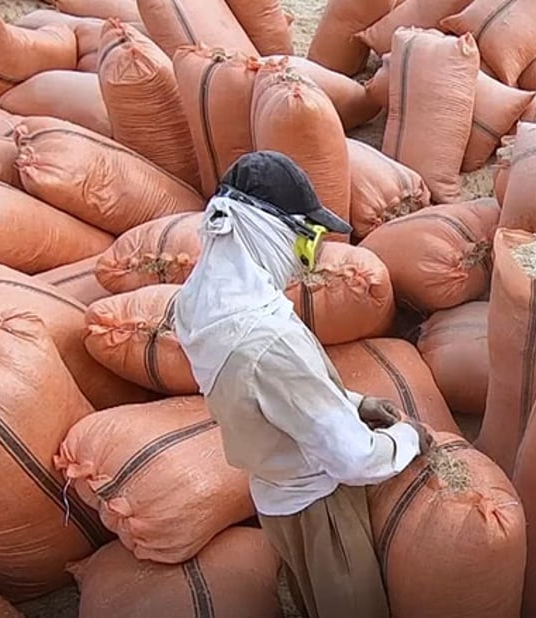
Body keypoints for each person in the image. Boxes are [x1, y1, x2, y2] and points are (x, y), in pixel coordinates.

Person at [174, 151, 430, 618]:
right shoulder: (268, 337)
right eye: (304, 238)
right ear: (267, 230)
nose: (305, 256)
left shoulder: (196, 302)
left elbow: (264, 394)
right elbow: (351, 458)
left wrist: (352, 401)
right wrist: (406, 440)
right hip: (321, 508)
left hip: (274, 500)